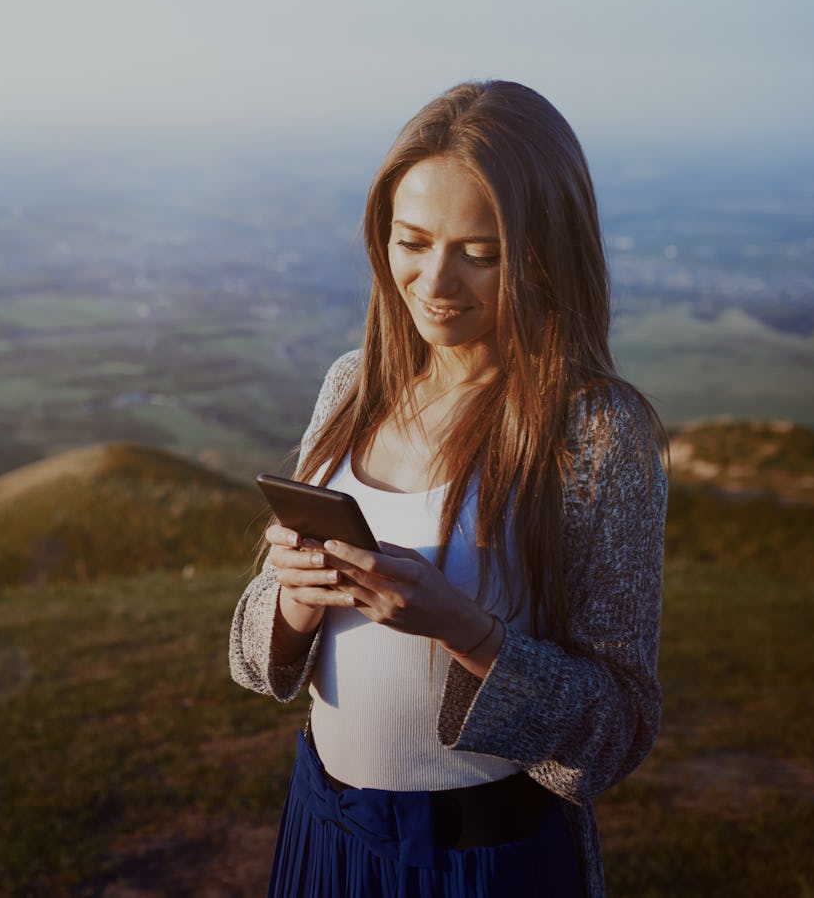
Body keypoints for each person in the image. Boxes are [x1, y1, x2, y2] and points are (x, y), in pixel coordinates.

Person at [229, 80, 667, 898]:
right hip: (324, 828)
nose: (435, 281)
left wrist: (466, 630)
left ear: (547, 252)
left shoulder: (598, 431)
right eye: (412, 240)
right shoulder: (352, 386)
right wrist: (293, 600)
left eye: (482, 252)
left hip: (486, 862)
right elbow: (259, 662)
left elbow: (617, 729)